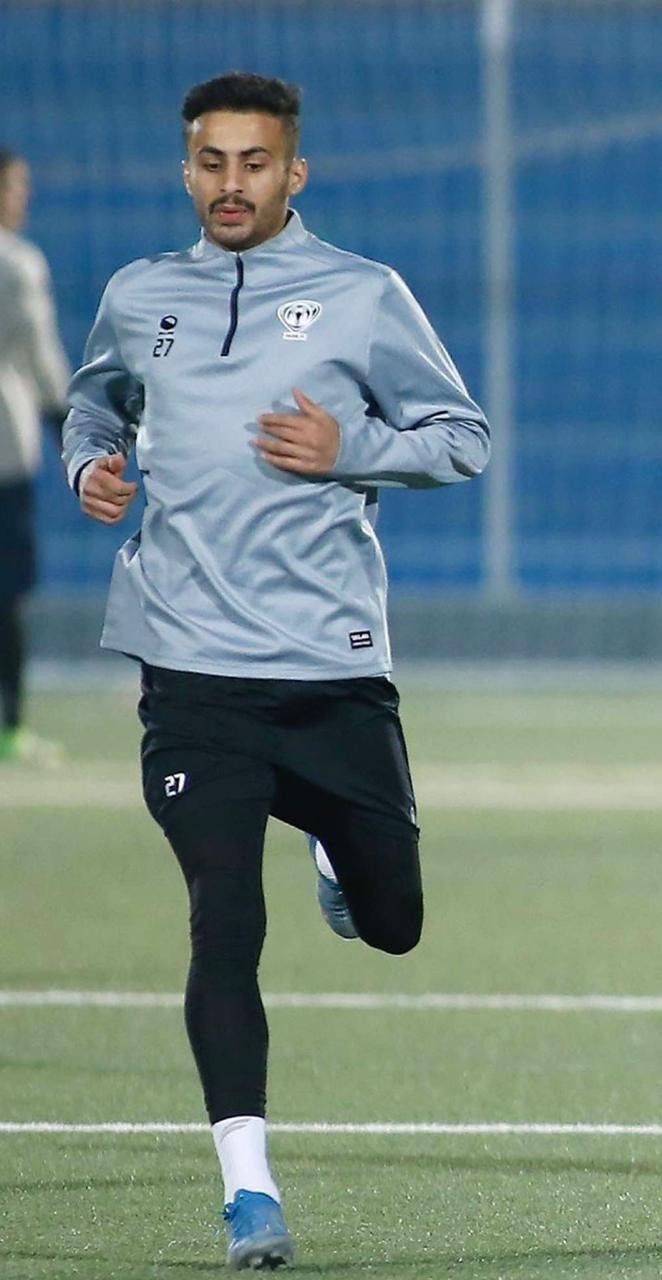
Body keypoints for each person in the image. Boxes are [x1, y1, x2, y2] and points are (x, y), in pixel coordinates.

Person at [63, 72, 490, 1270]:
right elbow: (93, 413)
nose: (230, 182)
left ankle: (330, 842)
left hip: (328, 669)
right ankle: (248, 1191)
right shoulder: (138, 296)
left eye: (254, 163)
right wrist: (92, 468)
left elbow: (462, 437)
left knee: (394, 922)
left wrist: (349, 445)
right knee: (222, 920)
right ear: (186, 170)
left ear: (293, 173)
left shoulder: (364, 294)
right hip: (188, 667)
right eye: (211, 161)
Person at [0, 148, 70, 764]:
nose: (23, 196)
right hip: (4, 444)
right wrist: (69, 430)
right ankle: (11, 726)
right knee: (7, 591)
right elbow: (41, 356)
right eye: (16, 185)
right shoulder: (16, 263)